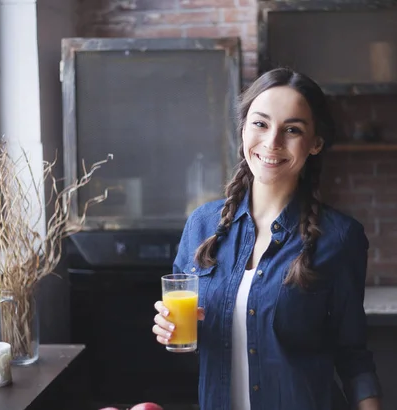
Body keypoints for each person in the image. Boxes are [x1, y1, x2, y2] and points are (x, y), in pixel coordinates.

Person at [152, 67, 382, 410]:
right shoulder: (201, 226)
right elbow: (198, 345)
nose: (272, 142)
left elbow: (353, 356)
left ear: (315, 143)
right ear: (243, 129)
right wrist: (171, 329)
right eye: (260, 123)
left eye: (292, 129)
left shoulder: (340, 238)